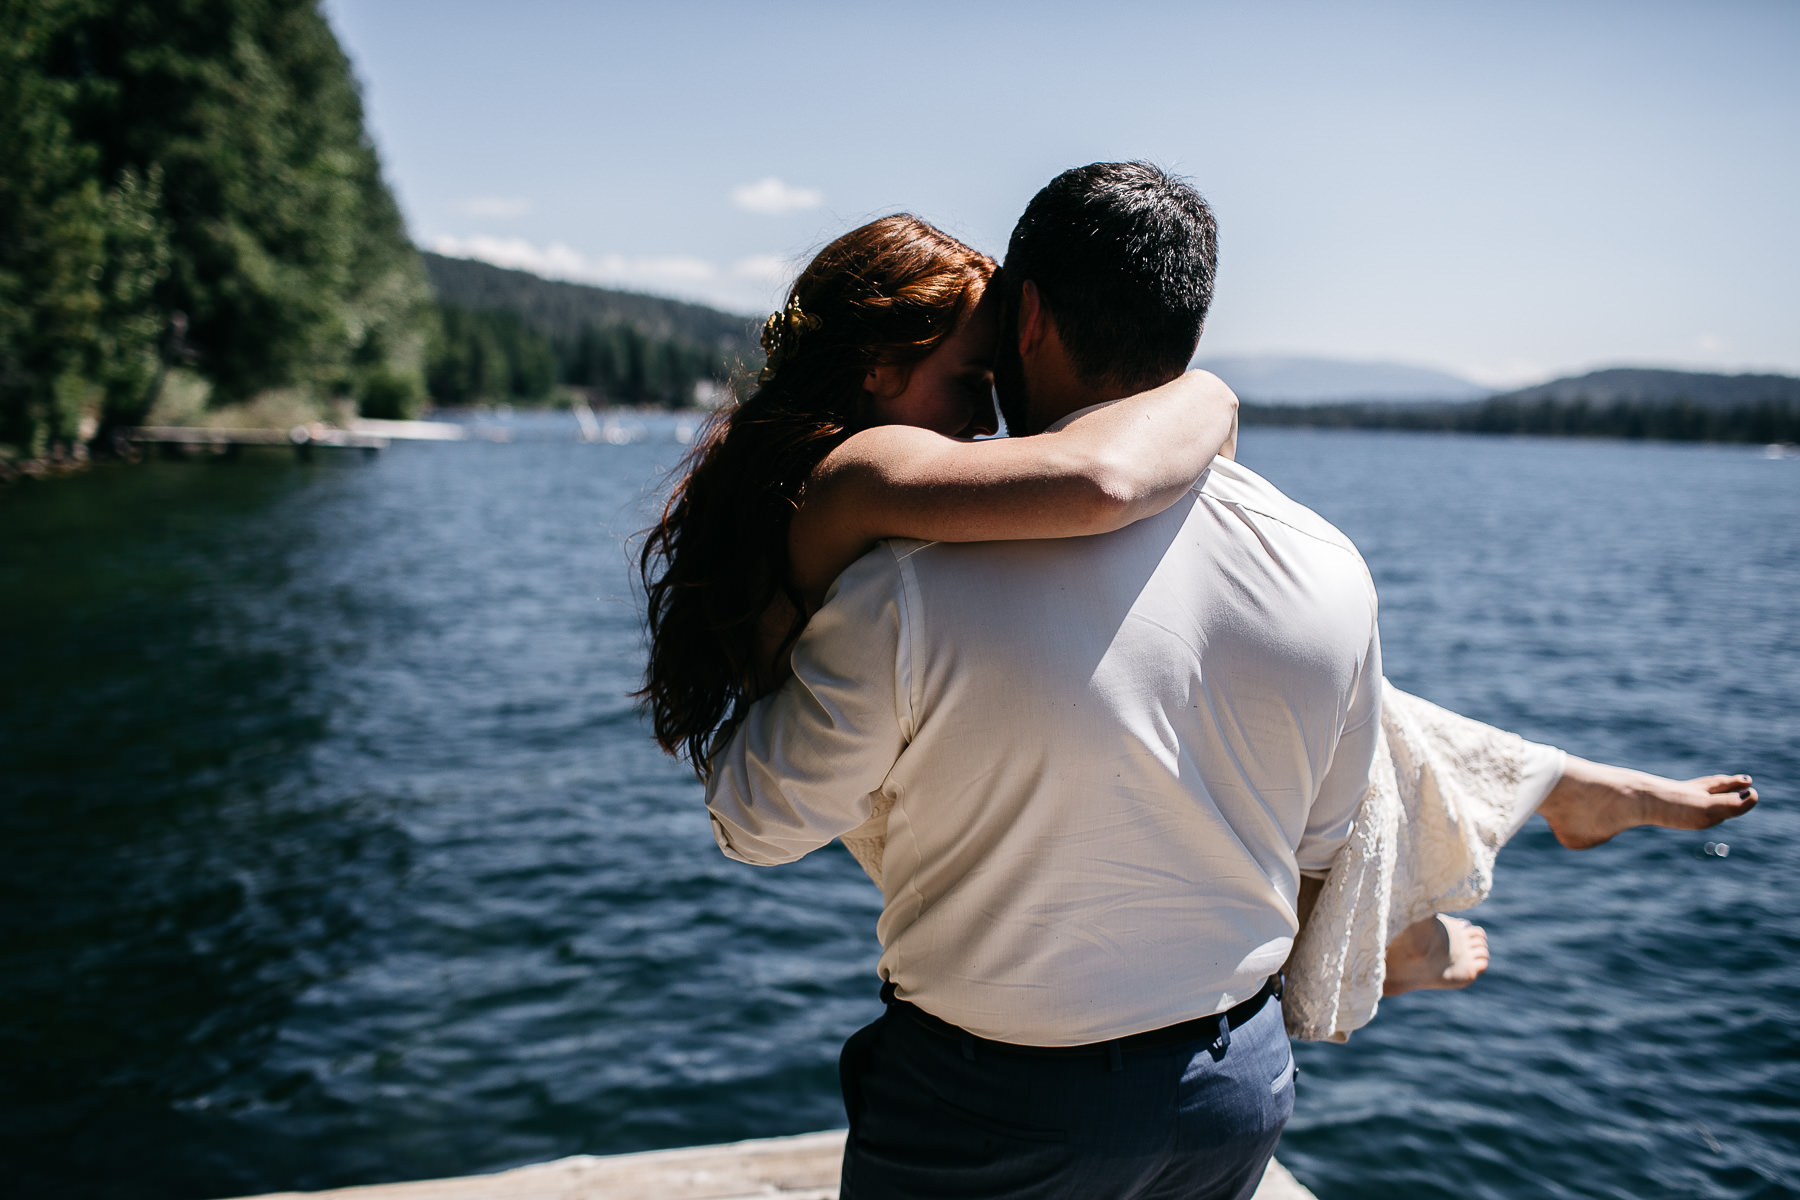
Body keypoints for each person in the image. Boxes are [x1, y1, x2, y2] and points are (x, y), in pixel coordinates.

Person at [641, 168, 1756, 1197]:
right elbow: (1330, 829)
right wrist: (1211, 402)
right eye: (963, 386)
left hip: (991, 1109)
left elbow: (760, 823)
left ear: (1031, 319)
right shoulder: (1324, 562)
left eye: (988, 377)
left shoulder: (909, 580)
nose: (981, 417)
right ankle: (1529, 805)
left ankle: (1536, 802)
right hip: (1229, 1095)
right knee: (1350, 744)